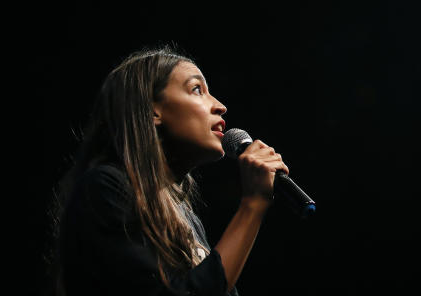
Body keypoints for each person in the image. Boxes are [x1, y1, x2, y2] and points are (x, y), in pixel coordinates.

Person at [43, 45, 290, 296]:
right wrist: (252, 205)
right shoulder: (105, 187)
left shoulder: (183, 215)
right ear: (152, 110)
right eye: (197, 89)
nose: (220, 106)